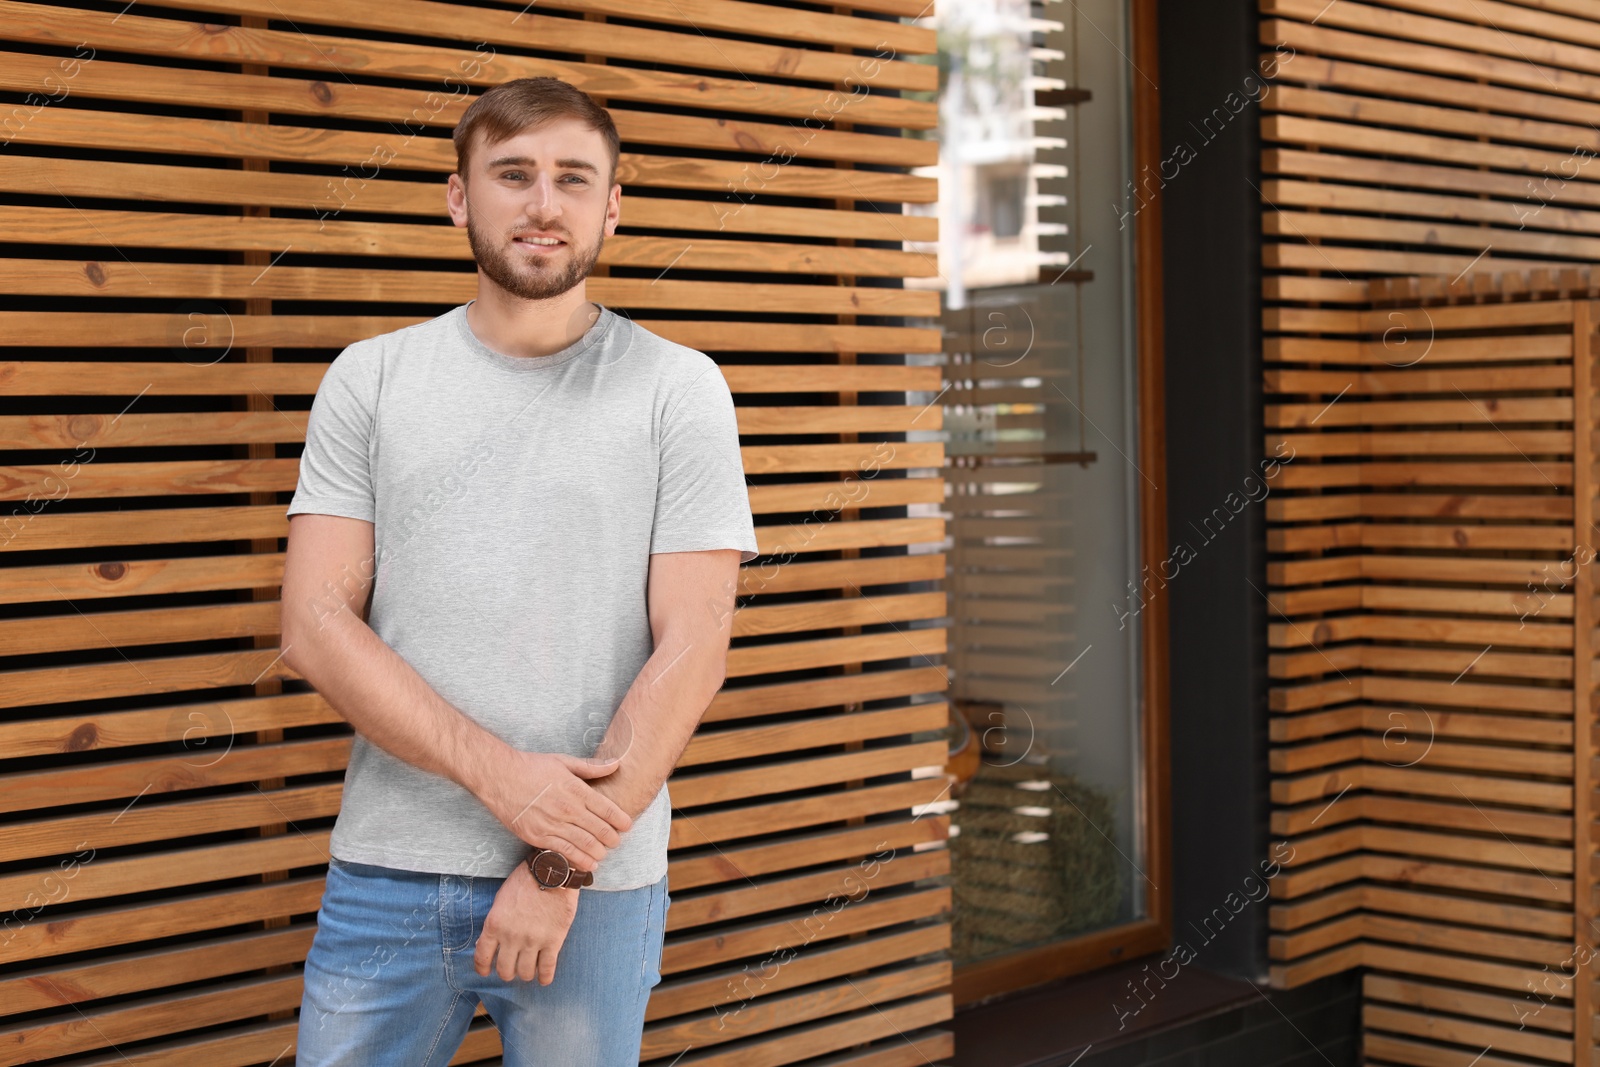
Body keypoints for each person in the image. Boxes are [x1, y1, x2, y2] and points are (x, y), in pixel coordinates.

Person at [283, 76, 758, 1066]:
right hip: (387, 865)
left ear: (611, 205)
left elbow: (695, 646)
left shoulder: (680, 389)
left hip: (589, 887)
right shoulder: (369, 380)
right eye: (512, 174)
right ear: (460, 196)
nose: (544, 205)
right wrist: (506, 781)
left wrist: (557, 859)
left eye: (573, 179)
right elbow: (315, 626)